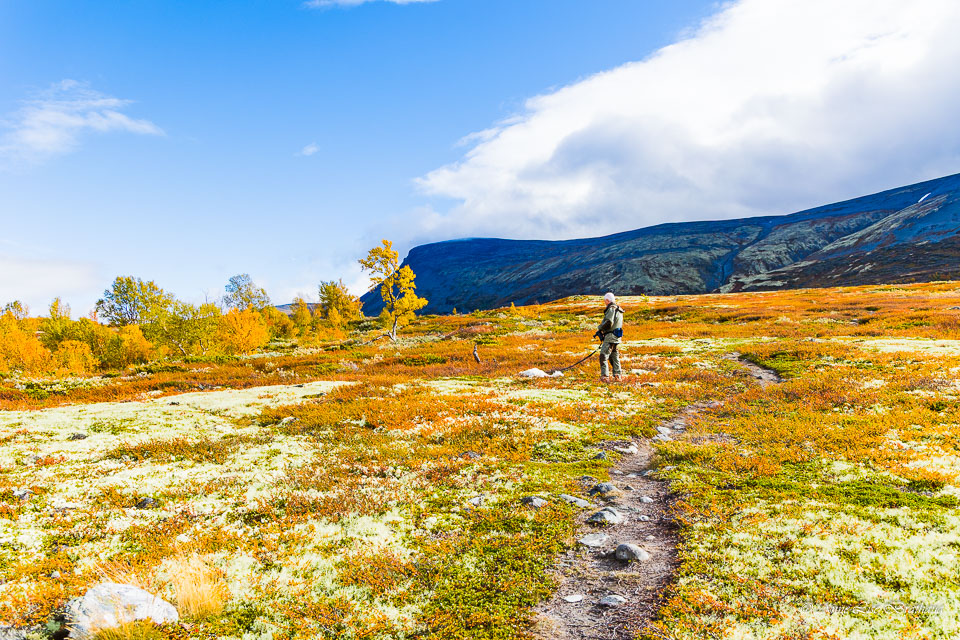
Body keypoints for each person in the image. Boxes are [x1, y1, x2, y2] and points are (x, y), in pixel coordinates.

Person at [594, 292, 623, 382]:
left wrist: (600, 328)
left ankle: (605, 377)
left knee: (603, 356)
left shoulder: (611, 309)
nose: (604, 303)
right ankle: (618, 376)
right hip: (617, 336)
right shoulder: (619, 309)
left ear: (607, 300)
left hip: (610, 336)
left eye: (604, 301)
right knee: (614, 356)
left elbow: (609, 322)